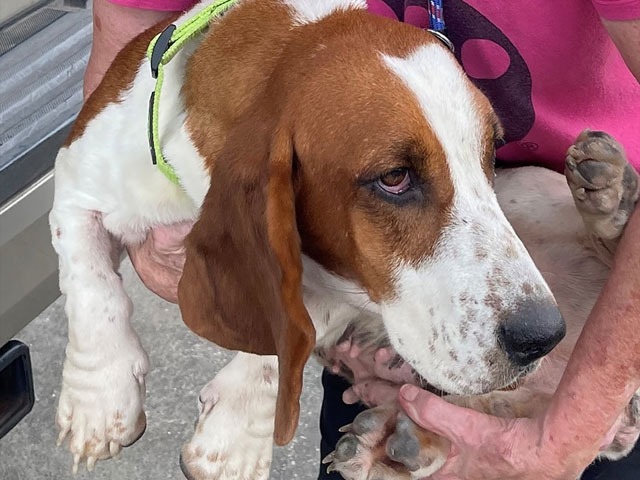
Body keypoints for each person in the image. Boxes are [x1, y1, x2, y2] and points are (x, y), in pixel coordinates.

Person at [85, 1, 640, 479]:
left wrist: (571, 428)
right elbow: (125, 74)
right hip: (377, 262)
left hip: (601, 282)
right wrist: (175, 238)